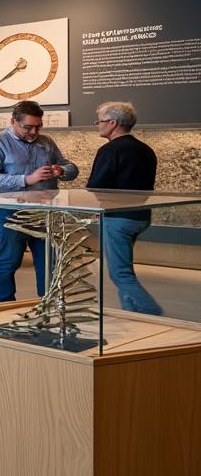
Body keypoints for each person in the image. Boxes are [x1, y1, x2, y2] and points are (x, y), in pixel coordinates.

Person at [0, 100, 79, 302]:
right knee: (9, 261)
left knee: (48, 262)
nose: (34, 132)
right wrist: (27, 179)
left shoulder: (47, 142)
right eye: (28, 127)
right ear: (13, 122)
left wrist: (61, 171)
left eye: (38, 127)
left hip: (44, 211)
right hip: (10, 212)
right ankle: (3, 308)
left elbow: (71, 169)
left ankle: (48, 305)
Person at [87, 101, 162, 315]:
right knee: (125, 270)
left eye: (100, 121)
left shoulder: (109, 150)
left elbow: (96, 186)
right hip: (140, 216)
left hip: (117, 218)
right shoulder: (145, 150)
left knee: (119, 274)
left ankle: (153, 313)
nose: (98, 125)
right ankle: (131, 314)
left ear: (113, 123)